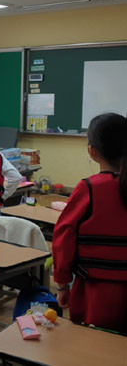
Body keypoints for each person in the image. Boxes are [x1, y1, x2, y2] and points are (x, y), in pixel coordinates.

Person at [53, 113, 127, 334]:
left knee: (92, 344)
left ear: (92, 152)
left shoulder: (89, 188)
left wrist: (62, 284)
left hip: (95, 293)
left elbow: (63, 238)